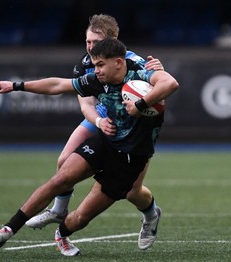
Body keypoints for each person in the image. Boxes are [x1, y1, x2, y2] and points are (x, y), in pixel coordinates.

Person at [0, 38, 179, 256]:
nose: (95, 70)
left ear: (118, 62)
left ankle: (62, 233)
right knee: (60, 179)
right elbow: (58, 85)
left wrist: (140, 104)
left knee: (80, 218)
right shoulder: (97, 80)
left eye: (100, 65)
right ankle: (8, 229)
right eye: (94, 65)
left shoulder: (142, 72)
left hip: (130, 158)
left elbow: (170, 83)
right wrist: (15, 86)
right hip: (104, 142)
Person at [26, 14, 164, 230]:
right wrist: (99, 121)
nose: (91, 48)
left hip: (130, 124)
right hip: (100, 116)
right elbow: (86, 106)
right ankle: (59, 210)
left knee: (132, 192)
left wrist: (158, 74)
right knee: (64, 161)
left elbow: (160, 91)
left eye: (96, 43)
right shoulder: (84, 64)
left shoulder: (134, 63)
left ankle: (150, 212)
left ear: (113, 41)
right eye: (88, 42)